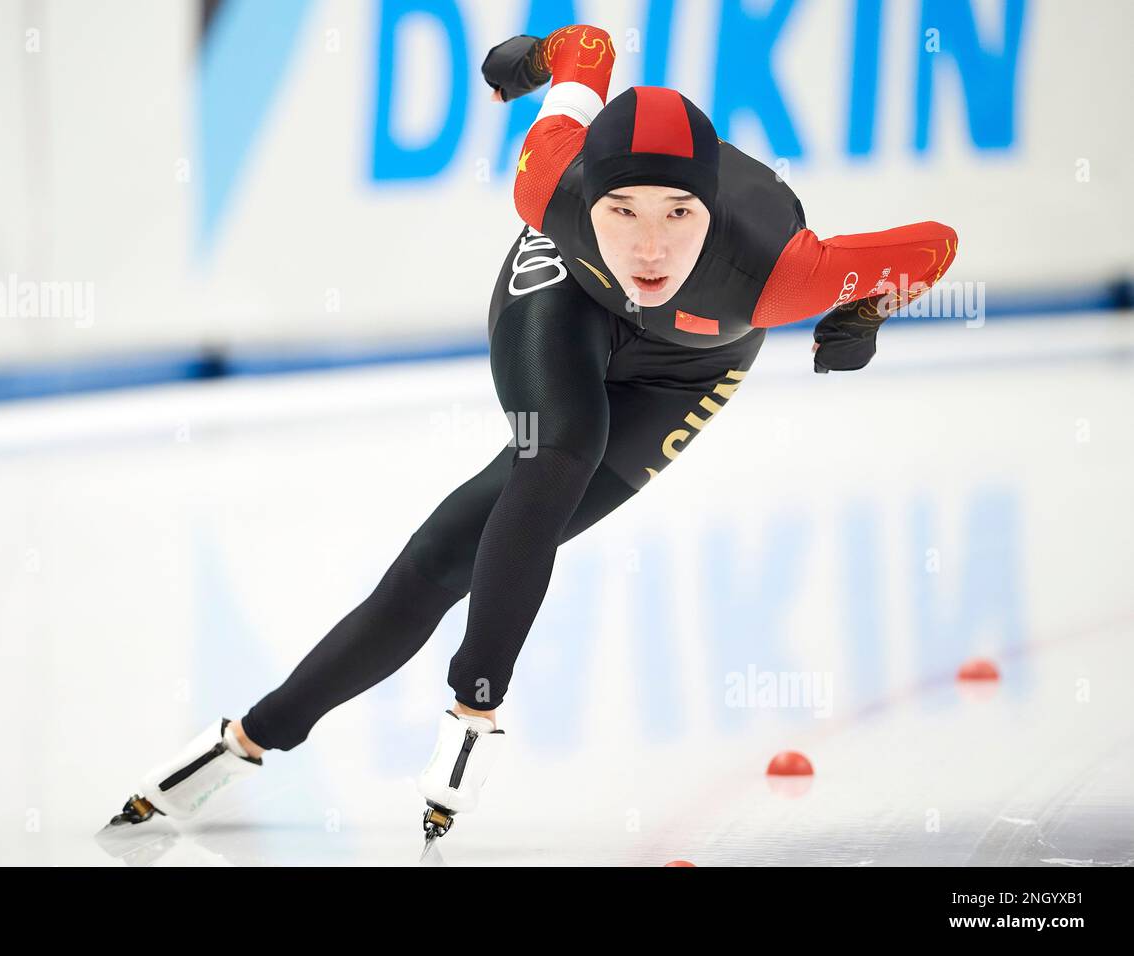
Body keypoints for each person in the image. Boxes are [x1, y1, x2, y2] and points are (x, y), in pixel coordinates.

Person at [106, 24, 958, 843]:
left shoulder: (787, 274)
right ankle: (408, 719)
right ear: (589, 192)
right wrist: (533, 60)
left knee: (463, 549)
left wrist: (873, 306)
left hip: (689, 371)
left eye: (678, 214)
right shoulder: (546, 181)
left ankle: (265, 737)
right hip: (564, 297)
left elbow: (936, 245)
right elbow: (588, 49)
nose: (651, 246)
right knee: (543, 465)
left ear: (712, 212)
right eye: (622, 208)